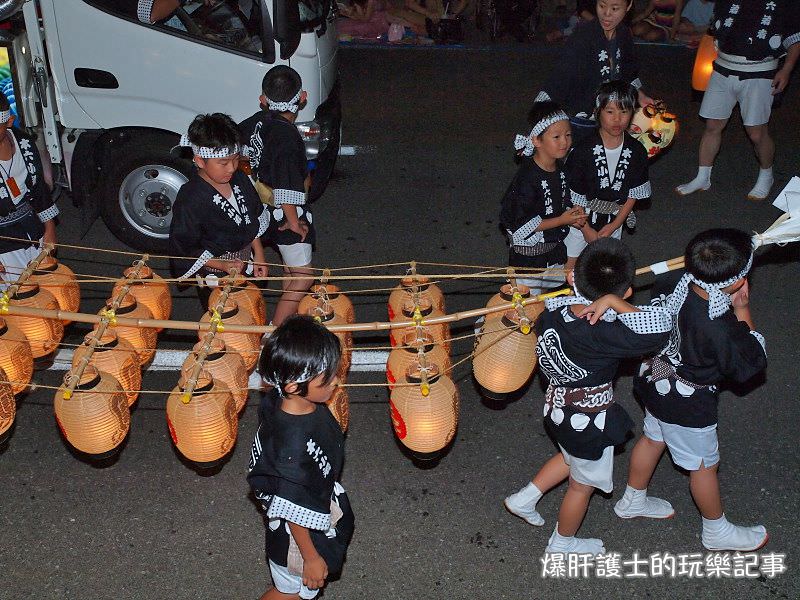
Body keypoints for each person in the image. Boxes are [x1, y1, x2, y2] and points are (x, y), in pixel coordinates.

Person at [504, 238, 672, 555]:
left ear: (571, 278)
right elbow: (658, 326)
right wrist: (617, 302)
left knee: (569, 458)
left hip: (556, 408)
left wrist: (609, 298)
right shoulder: (606, 332)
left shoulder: (553, 311)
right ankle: (562, 542)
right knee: (582, 486)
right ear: (626, 292)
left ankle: (523, 499)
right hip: (586, 421)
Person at [615, 229, 769, 552]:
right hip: (687, 403)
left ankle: (632, 499)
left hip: (655, 381)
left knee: (653, 436)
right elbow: (749, 362)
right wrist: (742, 311)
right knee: (703, 466)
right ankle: (716, 530)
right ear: (737, 282)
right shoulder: (719, 325)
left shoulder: (675, 280)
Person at [248, 315, 354, 600]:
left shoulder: (282, 398)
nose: (336, 381)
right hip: (294, 539)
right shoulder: (291, 449)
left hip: (302, 507)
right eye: (327, 378)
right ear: (295, 386)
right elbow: (292, 509)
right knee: (290, 593)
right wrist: (311, 557)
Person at [676, 1, 800, 201]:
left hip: (760, 71)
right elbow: (715, 28)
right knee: (713, 124)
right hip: (722, 68)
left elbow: (795, 38)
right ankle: (703, 176)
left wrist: (786, 69)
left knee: (756, 131)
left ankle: (766, 175)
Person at [239, 66, 316, 327]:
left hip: (260, 207)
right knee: (303, 277)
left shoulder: (255, 122)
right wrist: (294, 222)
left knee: (289, 270)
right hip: (284, 211)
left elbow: (238, 149)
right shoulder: (287, 135)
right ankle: (276, 332)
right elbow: (286, 182)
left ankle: (288, 319)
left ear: (263, 100)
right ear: (302, 97)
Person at [169, 113, 269, 308]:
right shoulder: (190, 198)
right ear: (200, 161)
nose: (231, 168)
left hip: (245, 261)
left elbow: (252, 218)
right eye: (223, 163)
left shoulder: (239, 179)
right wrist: (222, 265)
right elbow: (184, 248)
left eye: (235, 159)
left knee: (250, 308)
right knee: (223, 318)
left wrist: (259, 255)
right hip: (213, 270)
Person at [534, 0, 654, 146]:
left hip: (607, 117)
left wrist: (640, 95)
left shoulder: (623, 34)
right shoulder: (583, 37)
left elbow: (628, 72)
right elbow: (560, 76)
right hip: (579, 117)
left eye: (615, 8)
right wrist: (541, 115)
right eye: (602, 6)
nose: (607, 14)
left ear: (628, 6)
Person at [564, 80, 651, 273]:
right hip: (581, 216)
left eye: (624, 111)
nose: (617, 119)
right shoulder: (582, 149)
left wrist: (614, 225)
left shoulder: (636, 151)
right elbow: (573, 193)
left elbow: (633, 193)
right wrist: (586, 229)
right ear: (598, 112)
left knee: (605, 268)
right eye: (610, 112)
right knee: (569, 266)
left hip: (614, 215)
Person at [500, 102, 585, 295]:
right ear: (536, 140)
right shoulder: (527, 178)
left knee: (548, 301)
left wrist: (574, 212)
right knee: (528, 304)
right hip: (530, 259)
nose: (564, 142)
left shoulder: (561, 170)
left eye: (568, 135)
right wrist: (563, 219)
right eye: (556, 136)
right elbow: (520, 224)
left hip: (553, 250)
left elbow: (566, 200)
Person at [0, 91, 59, 288]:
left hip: (31, 227)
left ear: (9, 121)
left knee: (45, 288)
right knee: (16, 297)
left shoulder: (24, 143)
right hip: (3, 241)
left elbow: (39, 190)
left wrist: (49, 228)